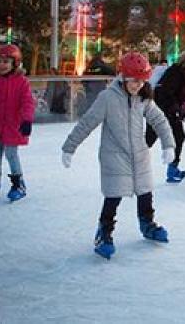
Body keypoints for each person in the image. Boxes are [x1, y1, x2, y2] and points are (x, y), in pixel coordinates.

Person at [61, 52, 176, 260]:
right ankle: (104, 233)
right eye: (133, 81)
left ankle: (147, 224)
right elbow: (87, 122)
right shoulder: (107, 98)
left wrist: (169, 145)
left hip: (139, 154)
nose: (137, 85)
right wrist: (70, 147)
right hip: (114, 156)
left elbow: (160, 120)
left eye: (141, 81)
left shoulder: (143, 98)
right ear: (123, 77)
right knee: (113, 197)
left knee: (145, 192)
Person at [0, 44, 35, 201]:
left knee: (11, 154)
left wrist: (27, 119)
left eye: (6, 61)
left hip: (13, 125)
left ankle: (19, 184)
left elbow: (27, 102)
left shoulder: (21, 82)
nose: (1, 65)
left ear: (15, 63)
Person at [147, 48, 185, 183]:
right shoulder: (176, 71)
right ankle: (131, 165)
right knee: (150, 138)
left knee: (178, 136)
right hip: (160, 108)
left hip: (174, 111)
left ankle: (172, 170)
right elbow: (165, 91)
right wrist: (176, 108)